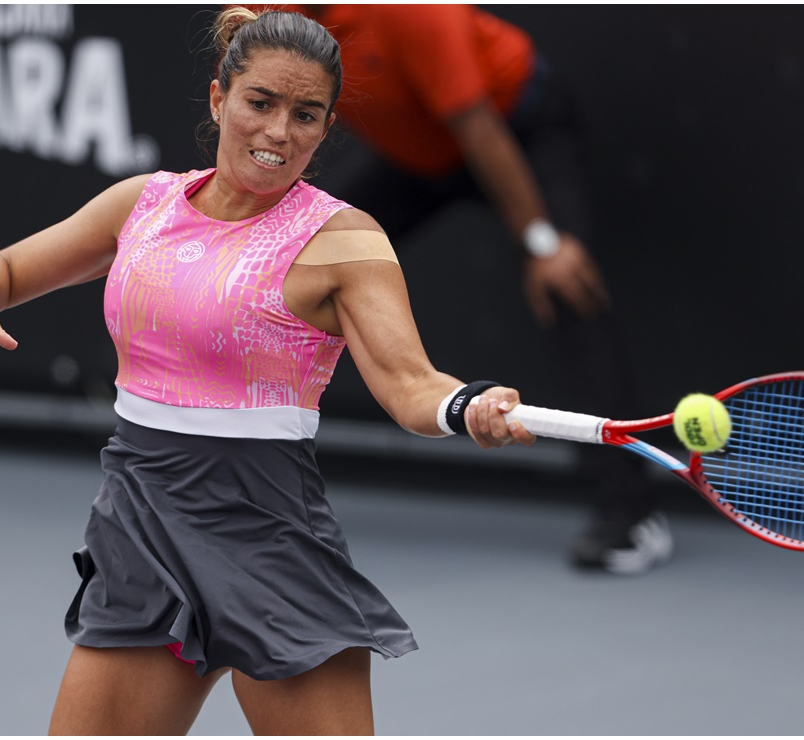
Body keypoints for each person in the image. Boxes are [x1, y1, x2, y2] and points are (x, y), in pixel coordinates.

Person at [0, 8, 534, 735]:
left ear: (326, 129)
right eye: (260, 103)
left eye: (305, 115)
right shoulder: (141, 204)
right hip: (141, 525)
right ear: (219, 99)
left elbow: (409, 385)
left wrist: (466, 406)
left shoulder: (344, 241)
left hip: (265, 536)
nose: (278, 133)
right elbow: (10, 270)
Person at [271, 4, 673, 575]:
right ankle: (252, 470)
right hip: (420, 153)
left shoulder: (411, 14)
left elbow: (478, 127)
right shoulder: (267, 18)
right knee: (297, 261)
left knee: (564, 283)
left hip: (513, 128)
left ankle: (631, 515)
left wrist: (541, 243)